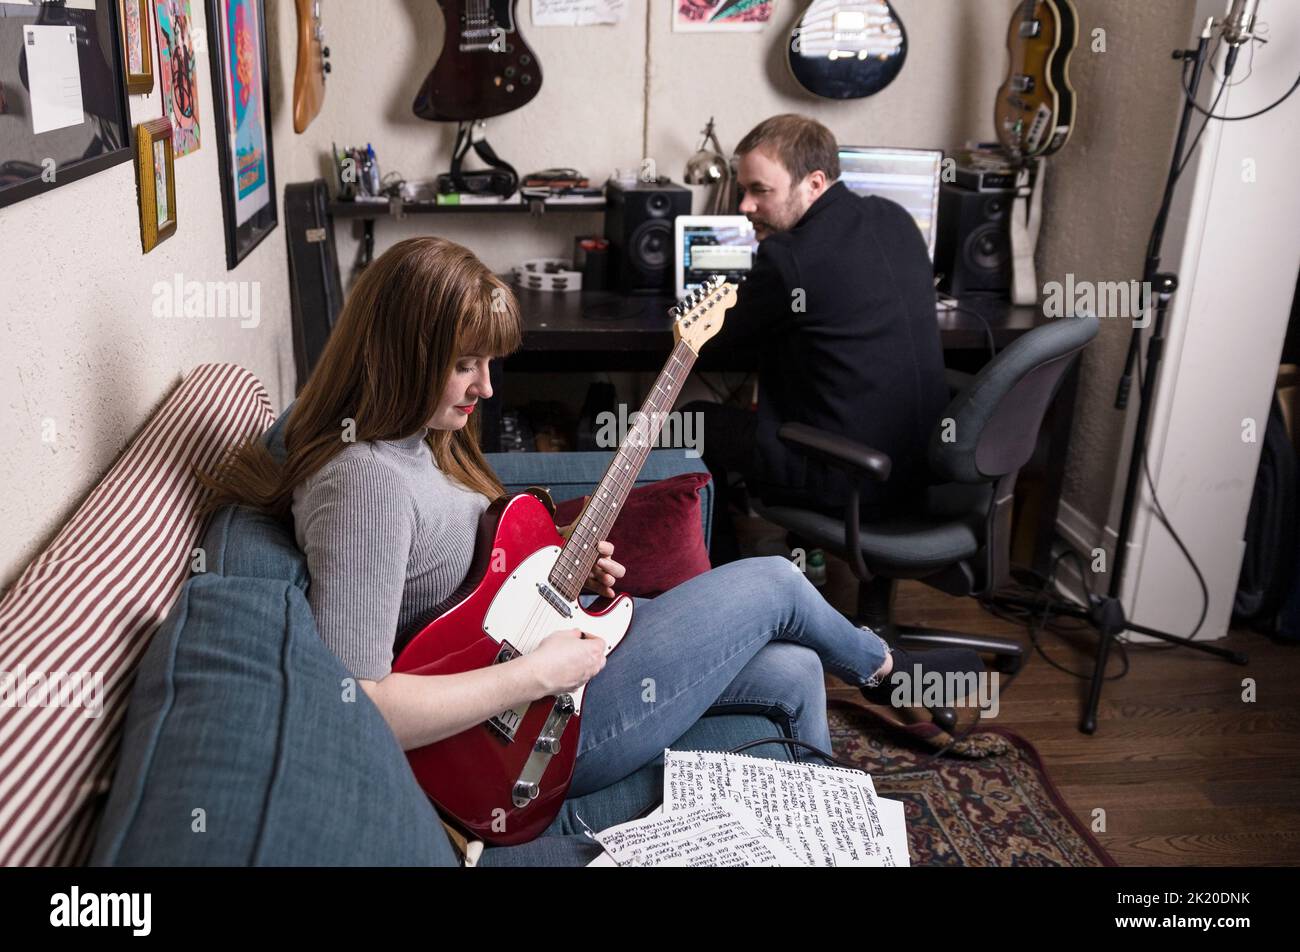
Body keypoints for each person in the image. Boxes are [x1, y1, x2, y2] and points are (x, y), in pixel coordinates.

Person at [194, 236, 982, 863]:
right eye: (464, 364)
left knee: (795, 667)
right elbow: (362, 705)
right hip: (525, 722)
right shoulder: (363, 479)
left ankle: (812, 843)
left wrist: (556, 556)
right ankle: (887, 669)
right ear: (396, 353)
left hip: (540, 666)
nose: (487, 390)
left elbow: (462, 577)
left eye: (490, 364)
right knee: (777, 580)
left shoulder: (415, 441)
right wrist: (540, 671)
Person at [681, 114, 950, 566]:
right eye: (744, 190)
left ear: (815, 183)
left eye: (760, 191)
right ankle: (801, 556)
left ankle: (721, 577)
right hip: (921, 470)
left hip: (848, 477)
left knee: (691, 423)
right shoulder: (896, 219)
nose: (745, 206)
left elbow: (710, 344)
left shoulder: (789, 258)